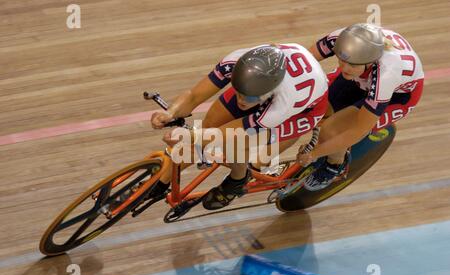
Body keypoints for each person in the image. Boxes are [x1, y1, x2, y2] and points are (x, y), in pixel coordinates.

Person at [150, 43, 329, 210]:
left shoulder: (284, 102)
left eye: (248, 98)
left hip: (304, 112)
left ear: (268, 93)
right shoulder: (236, 62)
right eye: (237, 92)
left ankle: (238, 179)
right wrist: (171, 113)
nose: (241, 101)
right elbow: (194, 96)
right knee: (208, 127)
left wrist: (190, 136)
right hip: (265, 88)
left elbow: (232, 133)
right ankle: (161, 182)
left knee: (233, 143)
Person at [297, 23, 425, 191]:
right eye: (341, 61)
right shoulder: (342, 39)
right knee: (318, 104)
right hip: (362, 79)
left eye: (352, 65)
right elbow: (302, 62)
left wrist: (314, 154)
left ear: (371, 61)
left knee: (331, 131)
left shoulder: (386, 75)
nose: (344, 68)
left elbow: (358, 129)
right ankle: (334, 144)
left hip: (397, 96)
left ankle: (335, 166)